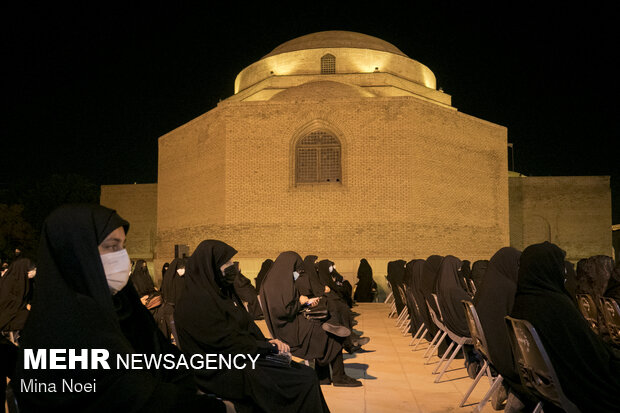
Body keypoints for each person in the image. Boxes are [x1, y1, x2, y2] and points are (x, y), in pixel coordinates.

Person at [12, 204, 227, 412]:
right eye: (111, 247)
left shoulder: (122, 303)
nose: (122, 257)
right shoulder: (62, 325)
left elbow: (162, 355)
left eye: (122, 247)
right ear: (75, 253)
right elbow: (131, 396)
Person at [174, 240, 330, 412]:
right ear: (210, 266)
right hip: (218, 368)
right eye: (227, 262)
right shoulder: (194, 303)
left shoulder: (222, 293)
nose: (233, 266)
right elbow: (223, 343)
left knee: (304, 374)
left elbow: (245, 326)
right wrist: (266, 347)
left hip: (241, 356)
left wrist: (267, 342)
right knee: (300, 382)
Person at [510, 242, 620, 412]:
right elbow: (589, 352)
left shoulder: (522, 300)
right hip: (573, 385)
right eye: (560, 266)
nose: (565, 272)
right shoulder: (555, 305)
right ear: (548, 267)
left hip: (544, 382)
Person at [260, 251, 362, 387]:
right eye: (296, 269)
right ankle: (339, 377)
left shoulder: (277, 281)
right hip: (289, 331)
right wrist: (301, 302)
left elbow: (288, 305)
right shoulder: (275, 285)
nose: (297, 272)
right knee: (333, 335)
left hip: (291, 324)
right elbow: (282, 311)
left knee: (327, 327)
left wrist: (306, 302)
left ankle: (323, 377)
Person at [473, 247, 534, 409]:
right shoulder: (509, 289)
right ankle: (516, 394)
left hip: (488, 351)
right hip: (506, 356)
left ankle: (506, 387)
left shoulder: (487, 285)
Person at [0, 257, 34, 338]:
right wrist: (25, 306)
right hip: (6, 315)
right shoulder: (9, 282)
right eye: (32, 270)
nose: (34, 272)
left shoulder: (25, 281)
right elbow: (7, 303)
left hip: (16, 310)